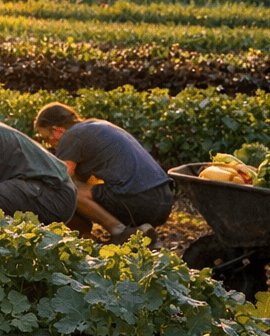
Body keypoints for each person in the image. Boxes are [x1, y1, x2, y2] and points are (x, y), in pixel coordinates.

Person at [33, 102, 173, 245]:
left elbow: (62, 180)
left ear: (56, 130)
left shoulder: (70, 136)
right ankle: (140, 231)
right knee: (86, 185)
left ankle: (120, 232)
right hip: (163, 199)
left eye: (45, 139)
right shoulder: (97, 125)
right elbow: (84, 179)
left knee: (68, 189)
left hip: (141, 200)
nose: (49, 145)